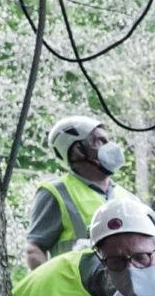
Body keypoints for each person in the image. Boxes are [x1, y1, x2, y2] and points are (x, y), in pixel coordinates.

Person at [26, 113, 124, 268]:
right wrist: (54, 287)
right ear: (78, 150)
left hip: (122, 290)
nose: (110, 146)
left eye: (108, 140)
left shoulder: (127, 197)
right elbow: (34, 249)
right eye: (101, 141)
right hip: (76, 290)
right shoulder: (57, 192)